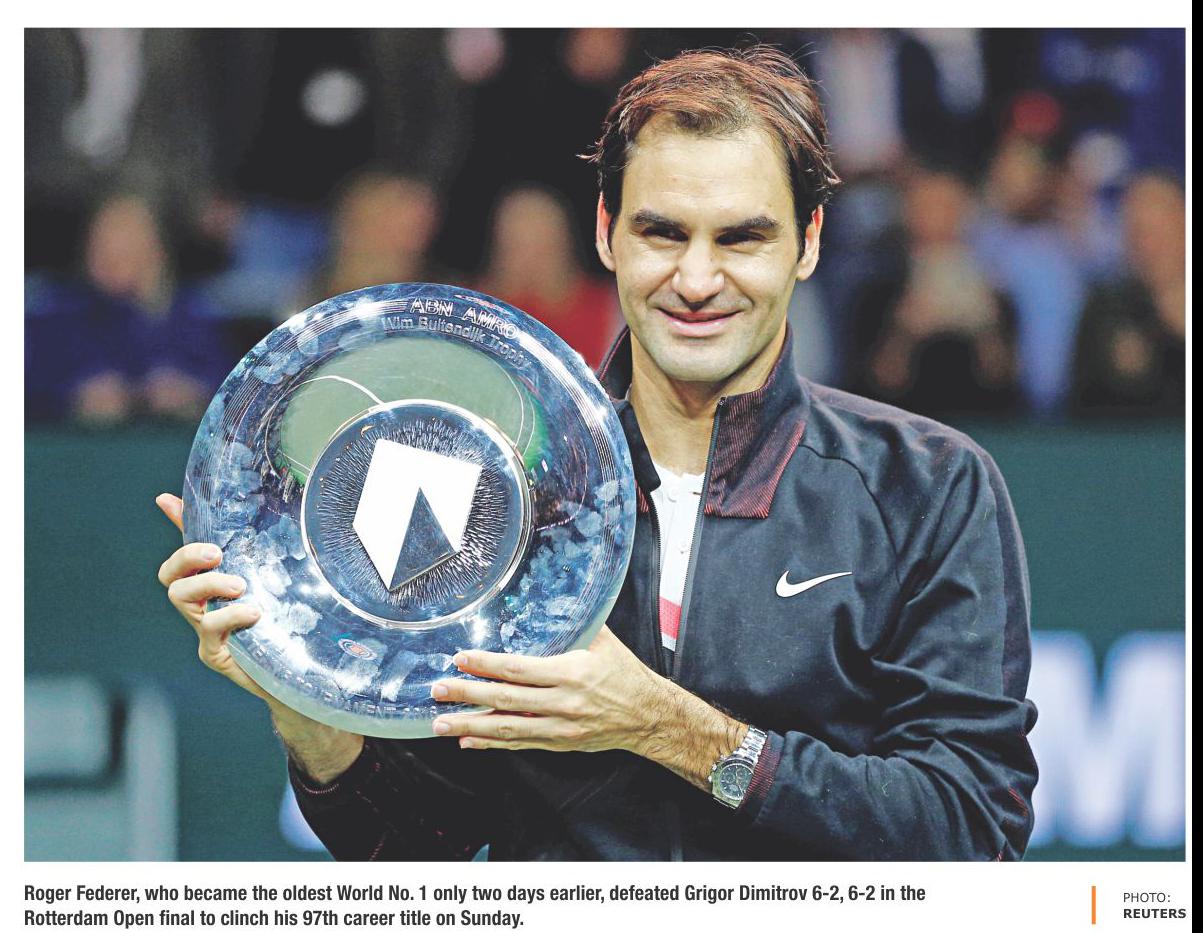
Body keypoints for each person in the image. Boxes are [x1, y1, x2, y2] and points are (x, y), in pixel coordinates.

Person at [157, 46, 1038, 860]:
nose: (696, 280)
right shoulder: (504, 494)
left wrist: (667, 727)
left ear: (806, 242)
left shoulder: (925, 484)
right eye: (663, 233)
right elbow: (417, 845)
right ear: (606, 231)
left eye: (741, 237)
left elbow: (970, 830)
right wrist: (304, 705)